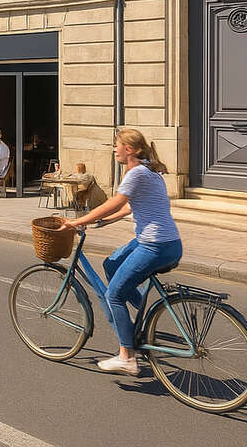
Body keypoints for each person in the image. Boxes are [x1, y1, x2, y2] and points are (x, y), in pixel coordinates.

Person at [60, 128, 182, 376]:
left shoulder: (136, 173)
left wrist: (78, 222)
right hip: (170, 243)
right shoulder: (150, 172)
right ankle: (143, 318)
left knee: (114, 295)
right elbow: (128, 209)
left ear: (130, 149)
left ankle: (126, 356)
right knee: (111, 264)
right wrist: (104, 222)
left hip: (154, 245)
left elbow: (114, 202)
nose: (114, 149)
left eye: (117, 145)